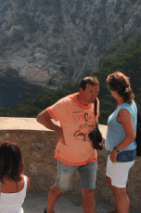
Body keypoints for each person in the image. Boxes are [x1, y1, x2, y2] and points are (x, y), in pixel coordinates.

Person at [36, 77, 100, 213]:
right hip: (68, 158)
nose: (94, 95)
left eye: (96, 92)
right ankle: (49, 209)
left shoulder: (95, 102)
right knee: (60, 188)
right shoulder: (65, 104)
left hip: (90, 156)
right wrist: (58, 130)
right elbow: (41, 118)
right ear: (81, 90)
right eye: (91, 92)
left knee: (89, 192)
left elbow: (94, 122)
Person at [103, 72, 137, 213]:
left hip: (122, 155)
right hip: (118, 154)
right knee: (112, 182)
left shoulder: (124, 111)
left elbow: (131, 136)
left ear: (114, 91)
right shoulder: (128, 104)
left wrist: (116, 150)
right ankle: (119, 210)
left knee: (120, 190)